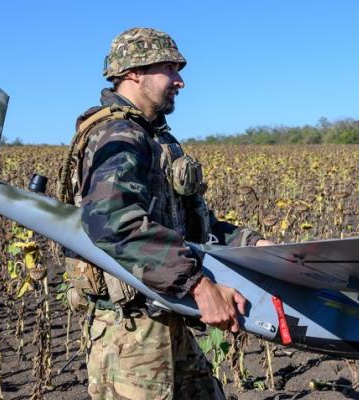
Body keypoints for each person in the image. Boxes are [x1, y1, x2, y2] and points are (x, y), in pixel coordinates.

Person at [56, 27, 270, 400]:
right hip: (131, 333)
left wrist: (254, 245)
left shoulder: (155, 139)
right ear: (134, 72)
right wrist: (199, 287)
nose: (180, 81)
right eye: (169, 69)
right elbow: (112, 222)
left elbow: (193, 224)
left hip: (168, 312)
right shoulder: (118, 135)